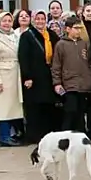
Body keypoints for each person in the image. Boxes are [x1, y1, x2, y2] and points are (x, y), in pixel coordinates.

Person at [18, 9, 60, 143]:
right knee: (34, 108)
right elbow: (23, 57)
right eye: (37, 19)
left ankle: (48, 134)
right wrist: (27, 77)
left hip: (48, 76)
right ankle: (35, 136)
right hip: (34, 78)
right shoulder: (27, 36)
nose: (40, 21)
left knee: (48, 106)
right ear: (33, 20)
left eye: (42, 19)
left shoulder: (52, 35)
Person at [0, 11, 23, 146]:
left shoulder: (15, 36)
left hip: (15, 75)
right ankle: (4, 136)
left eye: (9, 21)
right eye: (4, 21)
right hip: (3, 76)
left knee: (13, 107)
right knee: (2, 108)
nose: (7, 24)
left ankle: (13, 134)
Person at [53, 15, 91, 134]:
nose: (79, 31)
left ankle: (81, 135)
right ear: (67, 29)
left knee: (81, 112)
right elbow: (56, 65)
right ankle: (64, 135)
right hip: (69, 84)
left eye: (80, 28)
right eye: (76, 28)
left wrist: (90, 77)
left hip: (84, 84)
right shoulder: (61, 44)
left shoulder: (85, 44)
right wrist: (57, 83)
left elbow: (90, 62)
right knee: (70, 111)